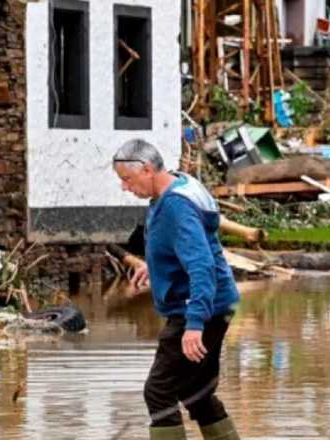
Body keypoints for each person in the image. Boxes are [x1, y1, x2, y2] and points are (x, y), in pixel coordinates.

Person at [112, 139, 241, 440]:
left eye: (127, 180)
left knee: (158, 392)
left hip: (198, 307)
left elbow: (201, 266)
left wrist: (195, 323)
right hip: (215, 303)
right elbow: (187, 245)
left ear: (147, 169)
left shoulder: (175, 205)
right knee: (196, 392)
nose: (125, 188)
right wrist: (154, 266)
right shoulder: (175, 186)